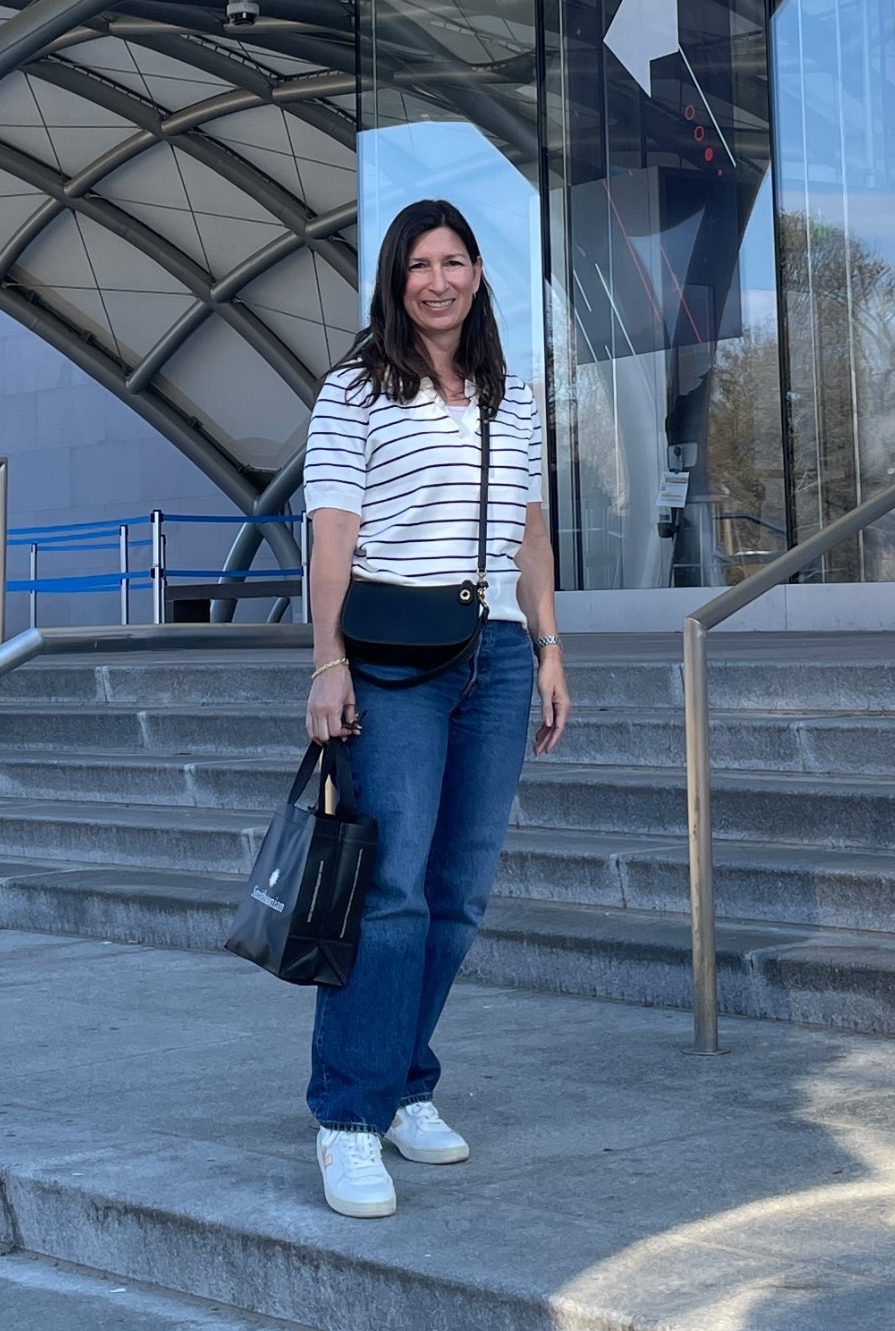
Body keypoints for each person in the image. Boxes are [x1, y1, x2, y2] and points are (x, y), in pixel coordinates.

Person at [301, 198, 570, 1220]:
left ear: (476, 275)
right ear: (394, 277)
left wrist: (547, 647)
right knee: (392, 891)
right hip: (392, 660)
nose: (439, 279)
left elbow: (530, 534)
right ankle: (348, 1114)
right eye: (420, 263)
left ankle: (406, 1076)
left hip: (495, 653)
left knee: (457, 892)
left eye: (455, 260)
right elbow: (331, 537)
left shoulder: (512, 395)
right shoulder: (356, 387)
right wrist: (326, 659)